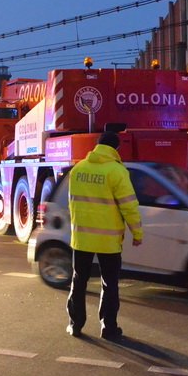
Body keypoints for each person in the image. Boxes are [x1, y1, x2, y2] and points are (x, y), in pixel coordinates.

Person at [66, 131, 143, 341]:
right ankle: (108, 328)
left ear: (97, 145)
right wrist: (137, 232)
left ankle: (75, 324)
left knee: (78, 281)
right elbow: (129, 206)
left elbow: (72, 204)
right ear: (116, 149)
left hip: (81, 239)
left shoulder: (78, 169)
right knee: (109, 283)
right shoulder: (116, 172)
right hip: (108, 241)